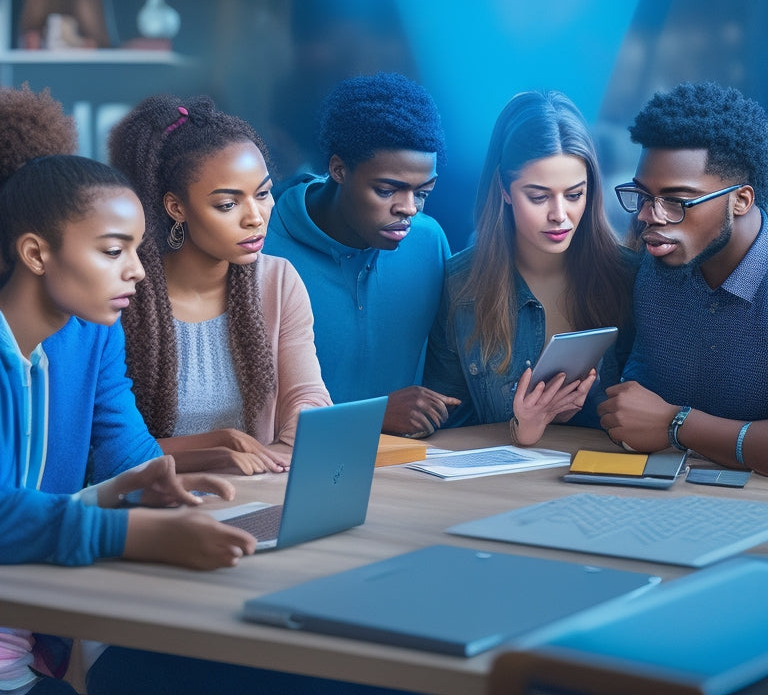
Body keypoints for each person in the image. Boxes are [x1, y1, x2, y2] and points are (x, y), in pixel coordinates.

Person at [0, 147, 260, 694]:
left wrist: (152, 490)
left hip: (30, 644)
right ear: (35, 253)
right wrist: (133, 532)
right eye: (114, 250)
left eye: (137, 248)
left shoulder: (93, 331)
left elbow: (127, 450)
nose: (139, 269)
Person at [108, 94, 331, 475]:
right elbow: (110, 450)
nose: (255, 217)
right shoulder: (123, 293)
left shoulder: (277, 281)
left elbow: (306, 397)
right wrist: (214, 447)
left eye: (262, 194)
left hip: (253, 488)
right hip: (155, 502)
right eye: (228, 204)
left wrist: (283, 459)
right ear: (176, 207)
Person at [424, 90, 636, 446]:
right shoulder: (460, 284)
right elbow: (448, 424)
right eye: (538, 196)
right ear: (504, 190)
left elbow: (654, 411)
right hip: (503, 487)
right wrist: (522, 430)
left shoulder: (629, 275)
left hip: (611, 482)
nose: (559, 215)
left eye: (574, 195)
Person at [264, 71, 458, 438]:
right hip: (290, 470)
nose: (409, 209)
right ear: (338, 169)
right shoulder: (263, 245)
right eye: (387, 190)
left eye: (423, 192)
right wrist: (374, 416)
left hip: (413, 471)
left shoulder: (429, 242)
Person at [597, 81, 768, 474]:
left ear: (741, 200)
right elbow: (638, 408)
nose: (647, 217)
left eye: (676, 201)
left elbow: (660, 419)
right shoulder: (656, 271)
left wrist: (677, 424)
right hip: (664, 499)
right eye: (643, 196)